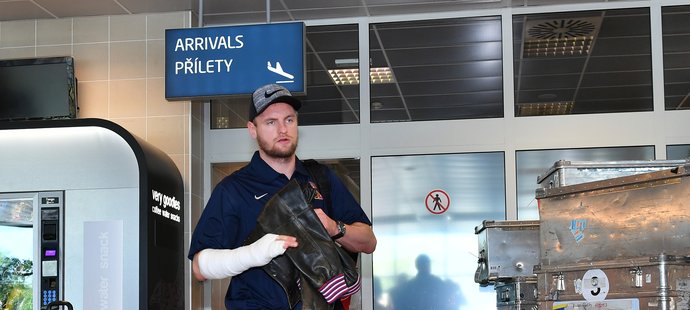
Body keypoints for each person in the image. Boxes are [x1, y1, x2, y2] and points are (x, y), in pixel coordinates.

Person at [188, 83, 377, 309]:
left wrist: (334, 227)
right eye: (270, 122)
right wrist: (254, 253)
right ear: (252, 129)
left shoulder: (321, 178)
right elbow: (200, 268)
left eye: (289, 120)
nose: (282, 129)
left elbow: (369, 241)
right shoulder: (233, 189)